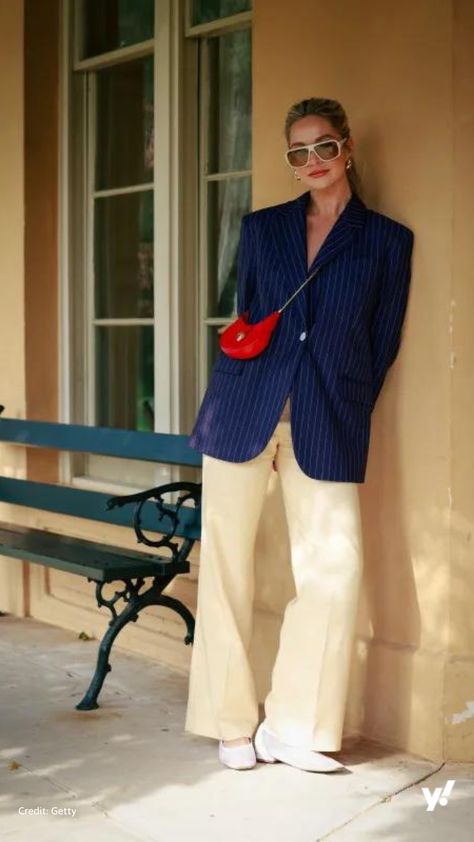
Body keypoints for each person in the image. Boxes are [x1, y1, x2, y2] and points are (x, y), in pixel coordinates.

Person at [184, 97, 414, 772]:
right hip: (242, 409)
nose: (312, 161)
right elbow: (250, 310)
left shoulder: (387, 241)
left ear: (347, 149)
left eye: (323, 147)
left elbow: (382, 341)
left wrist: (343, 401)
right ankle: (229, 719)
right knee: (225, 565)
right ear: (290, 163)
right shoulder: (262, 230)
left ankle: (293, 725)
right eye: (298, 152)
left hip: (327, 414)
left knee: (334, 569)